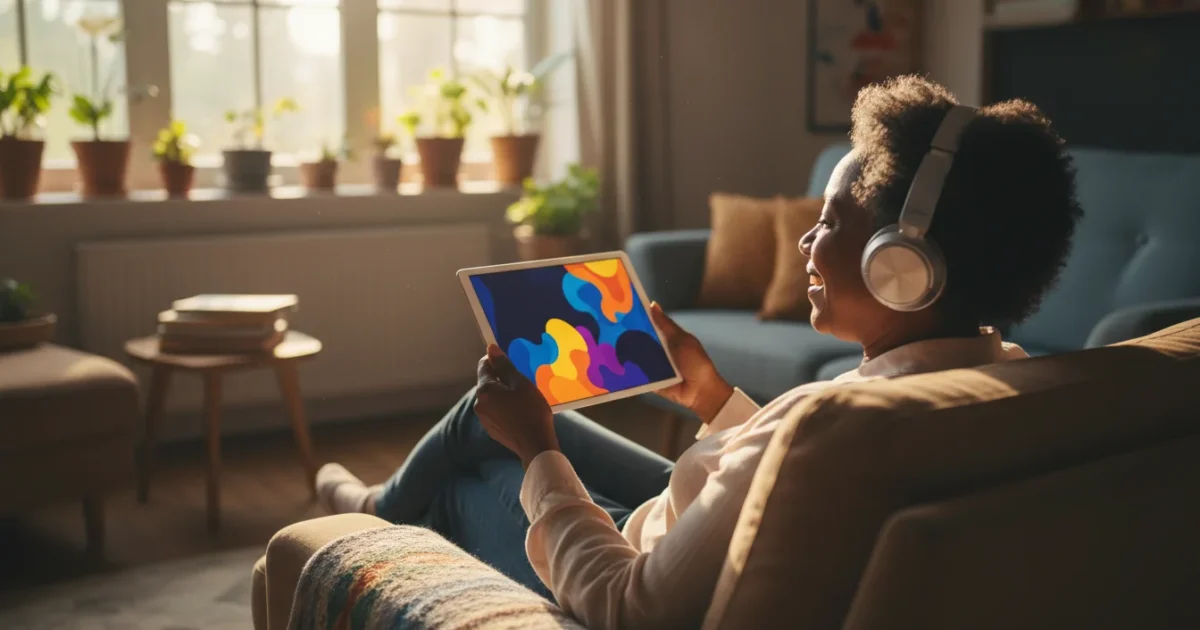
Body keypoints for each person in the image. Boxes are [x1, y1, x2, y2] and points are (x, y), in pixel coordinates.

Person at [314, 75, 1082, 630]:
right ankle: (382, 498)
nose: (809, 242)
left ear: (901, 266)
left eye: (830, 222)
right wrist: (715, 400)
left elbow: (625, 605)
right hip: (701, 529)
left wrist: (539, 449)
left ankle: (382, 514)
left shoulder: (822, 426)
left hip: (628, 568)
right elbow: (780, 479)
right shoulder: (1005, 379)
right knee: (495, 421)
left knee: (495, 447)